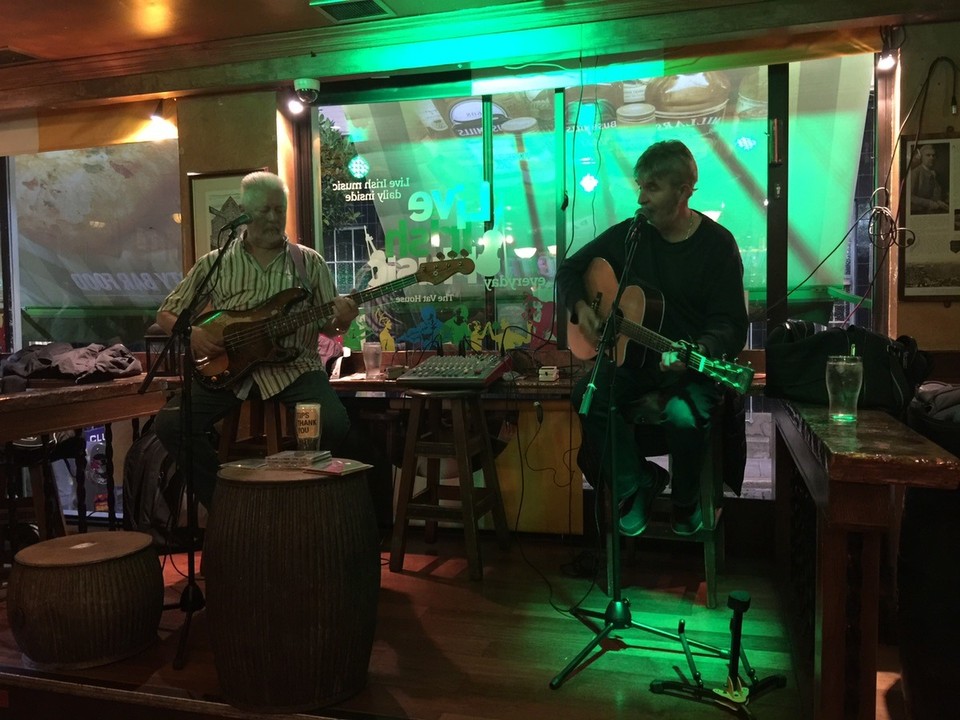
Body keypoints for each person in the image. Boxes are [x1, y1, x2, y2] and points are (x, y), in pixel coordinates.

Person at [556, 140, 747, 537]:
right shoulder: (633, 234)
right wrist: (583, 309)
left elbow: (730, 322)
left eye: (653, 187)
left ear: (684, 191)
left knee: (683, 416)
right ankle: (636, 482)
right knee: (587, 398)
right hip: (637, 364)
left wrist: (703, 350)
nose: (641, 198)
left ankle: (685, 503)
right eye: (640, 186)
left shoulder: (717, 245)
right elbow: (569, 271)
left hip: (690, 369)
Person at [154, 171, 358, 510]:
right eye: (265, 210)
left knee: (335, 423)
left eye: (280, 210)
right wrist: (194, 334)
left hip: (294, 369)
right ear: (245, 215)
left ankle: (292, 502)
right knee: (171, 424)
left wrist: (342, 320)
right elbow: (167, 313)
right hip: (230, 372)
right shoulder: (215, 263)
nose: (274, 218)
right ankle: (227, 507)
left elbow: (329, 327)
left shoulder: (308, 262)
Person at [910, 144, 949, 214]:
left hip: (934, 211)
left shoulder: (936, 174)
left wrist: (938, 202)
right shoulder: (915, 173)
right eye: (928, 155)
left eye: (933, 155)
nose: (932, 158)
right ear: (921, 157)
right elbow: (910, 197)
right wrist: (929, 203)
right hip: (919, 212)